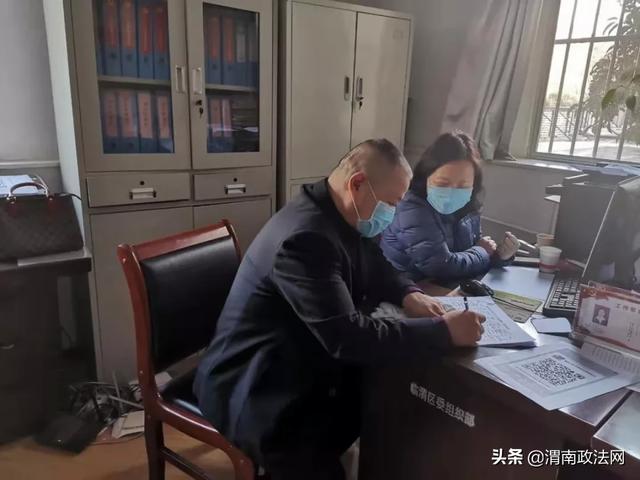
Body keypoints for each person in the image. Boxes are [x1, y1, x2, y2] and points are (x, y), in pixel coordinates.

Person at [193, 139, 485, 480]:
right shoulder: (306, 239)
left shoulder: (337, 209)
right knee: (372, 415)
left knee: (388, 406)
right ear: (357, 184)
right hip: (256, 386)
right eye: (390, 204)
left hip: (299, 357)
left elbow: (373, 261)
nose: (391, 215)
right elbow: (347, 337)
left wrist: (408, 293)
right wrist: (443, 331)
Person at [380, 132, 519, 285]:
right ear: (426, 177)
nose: (451, 193)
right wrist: (483, 251)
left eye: (463, 186)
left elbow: (471, 256)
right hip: (408, 288)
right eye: (442, 184)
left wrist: (498, 256)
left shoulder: (468, 206)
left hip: (445, 286)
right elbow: (440, 266)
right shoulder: (411, 208)